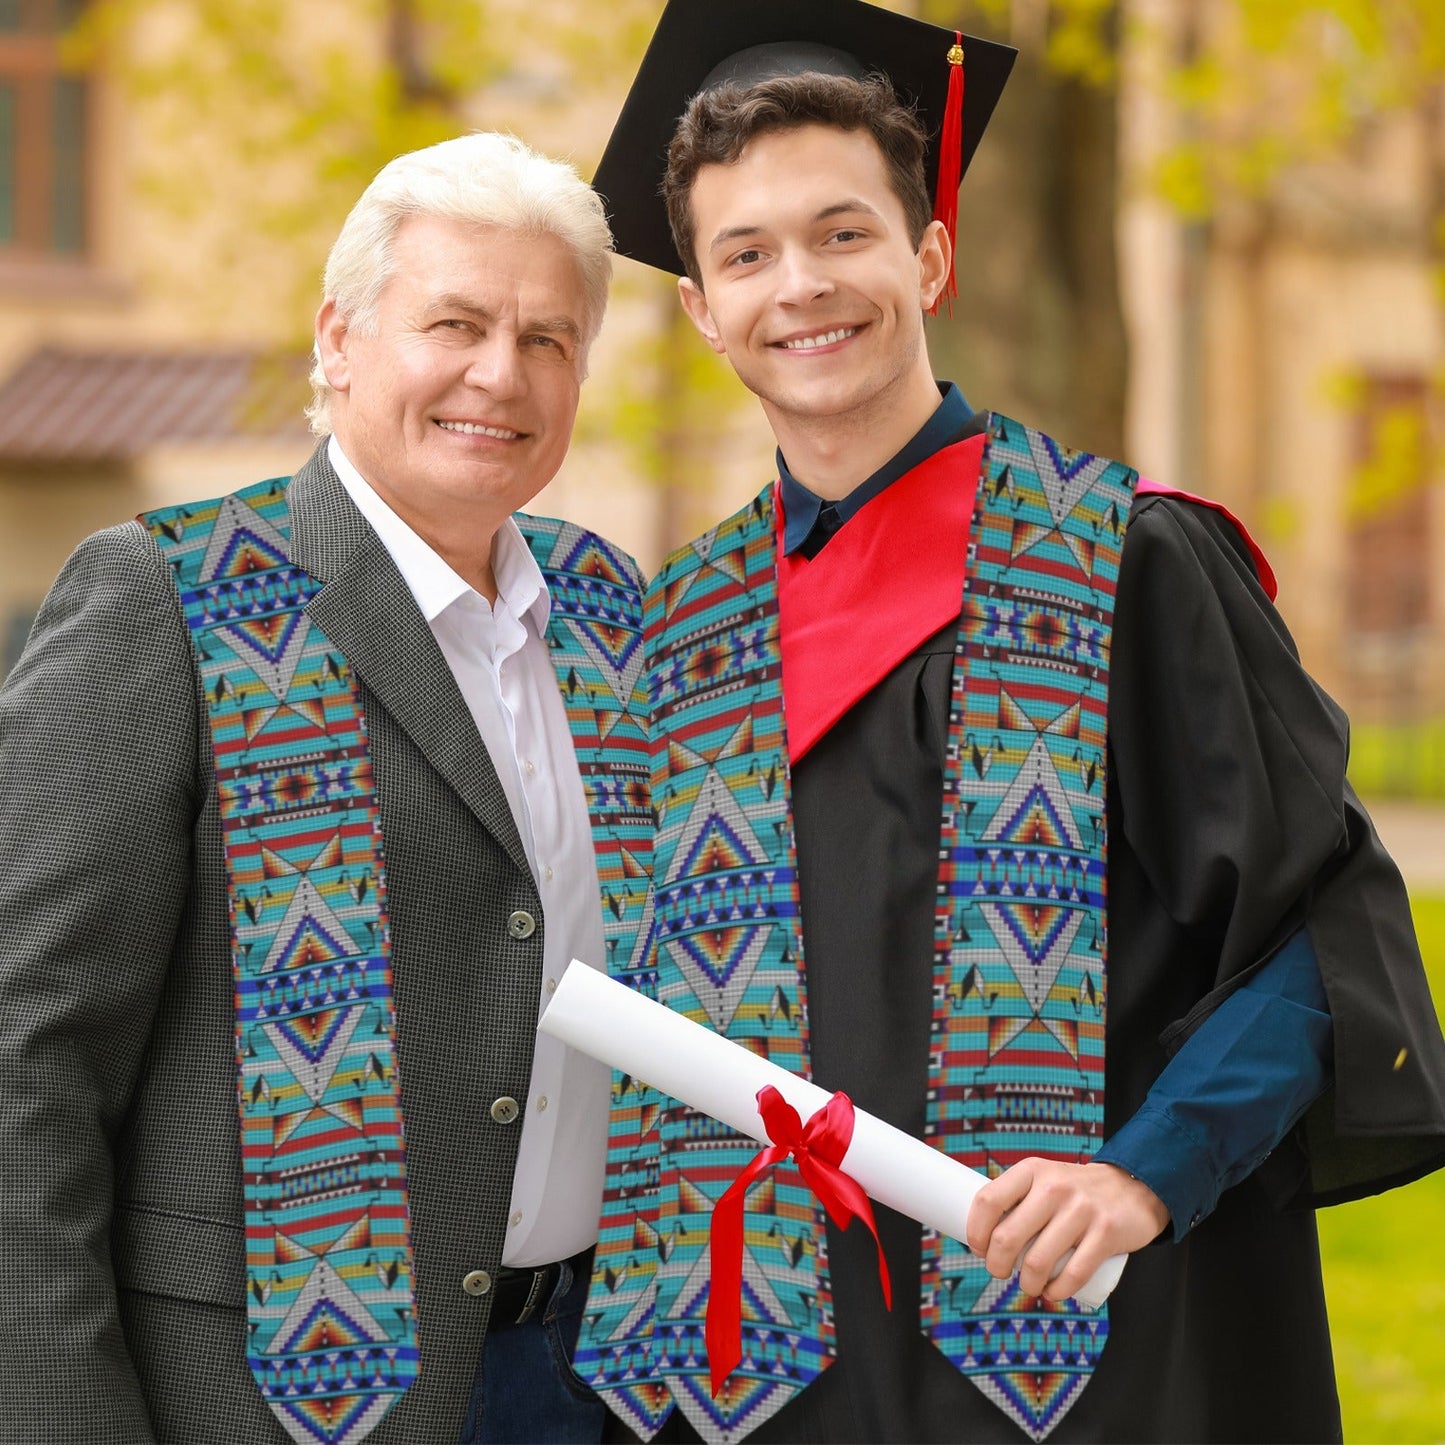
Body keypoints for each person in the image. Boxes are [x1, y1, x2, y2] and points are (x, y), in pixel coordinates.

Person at [568, 3, 1445, 1442]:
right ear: (702, 309)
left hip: (1081, 1352)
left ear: (928, 254)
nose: (801, 285)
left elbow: (1318, 932)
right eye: (746, 253)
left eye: (843, 233)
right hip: (768, 1380)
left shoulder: (1123, 560)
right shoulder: (681, 634)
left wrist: (1144, 1172)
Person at [0, 132, 650, 1445]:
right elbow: (27, 1056)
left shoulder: (608, 612)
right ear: (339, 340)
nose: (498, 373)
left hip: (586, 1383)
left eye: (546, 338)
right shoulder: (175, 596)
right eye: (455, 321)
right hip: (265, 1398)